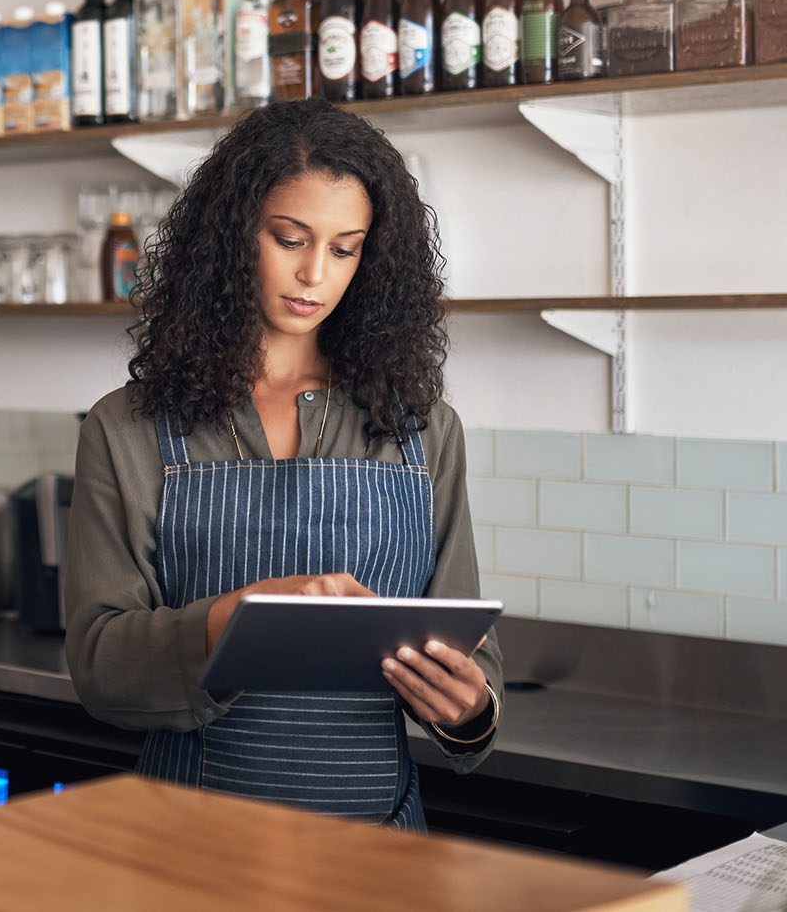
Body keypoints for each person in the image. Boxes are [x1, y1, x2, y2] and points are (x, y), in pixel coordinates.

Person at [64, 98, 500, 826]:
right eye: (290, 238)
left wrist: (468, 706)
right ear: (233, 237)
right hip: (191, 854)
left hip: (376, 860)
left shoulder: (422, 429)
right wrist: (237, 619)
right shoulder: (129, 426)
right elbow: (101, 667)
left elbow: (479, 667)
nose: (313, 275)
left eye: (343, 248)